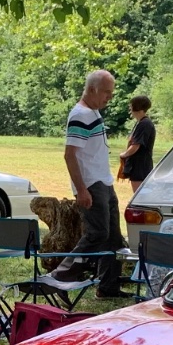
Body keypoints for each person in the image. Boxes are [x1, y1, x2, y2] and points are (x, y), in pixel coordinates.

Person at [43, 70, 124, 298]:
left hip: (104, 181)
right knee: (97, 233)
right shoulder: (80, 115)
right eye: (106, 92)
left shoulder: (93, 112)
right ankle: (60, 277)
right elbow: (70, 155)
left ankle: (108, 287)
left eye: (111, 93)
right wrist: (81, 189)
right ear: (92, 89)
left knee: (113, 238)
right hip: (91, 184)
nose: (109, 98)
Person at [118, 95, 156, 194]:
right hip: (138, 166)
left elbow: (135, 146)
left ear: (137, 107)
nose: (130, 109)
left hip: (140, 167)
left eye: (131, 106)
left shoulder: (144, 124)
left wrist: (124, 154)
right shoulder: (141, 123)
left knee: (140, 196)